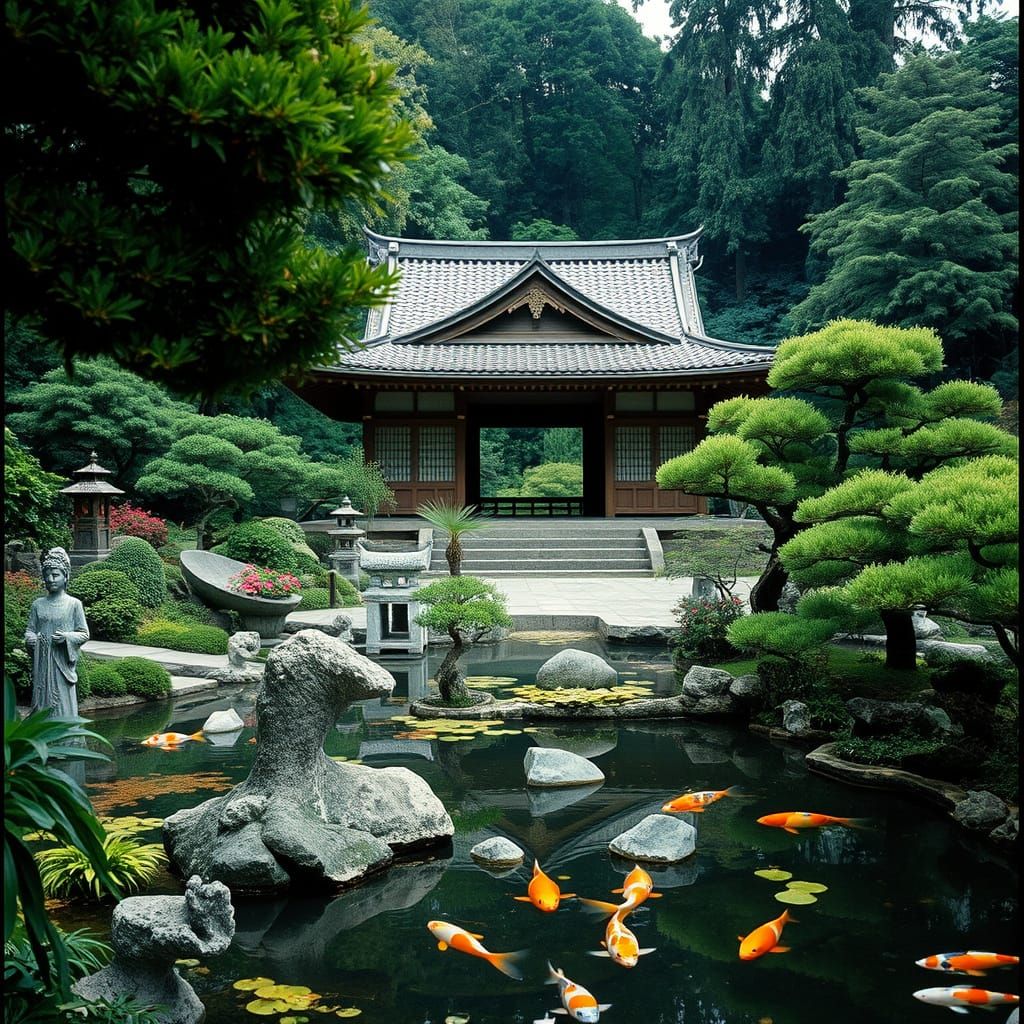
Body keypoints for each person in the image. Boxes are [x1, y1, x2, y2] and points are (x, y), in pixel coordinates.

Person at [25, 547, 89, 718]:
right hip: (42, 663)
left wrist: (66, 637)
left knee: (62, 703)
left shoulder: (74, 604)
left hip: (61, 663)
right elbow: (30, 630)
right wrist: (30, 640)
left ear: (65, 576)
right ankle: (41, 738)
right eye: (47, 575)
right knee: (41, 703)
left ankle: (66, 738)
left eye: (55, 575)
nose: (50, 579)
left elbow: (83, 633)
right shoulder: (38, 604)